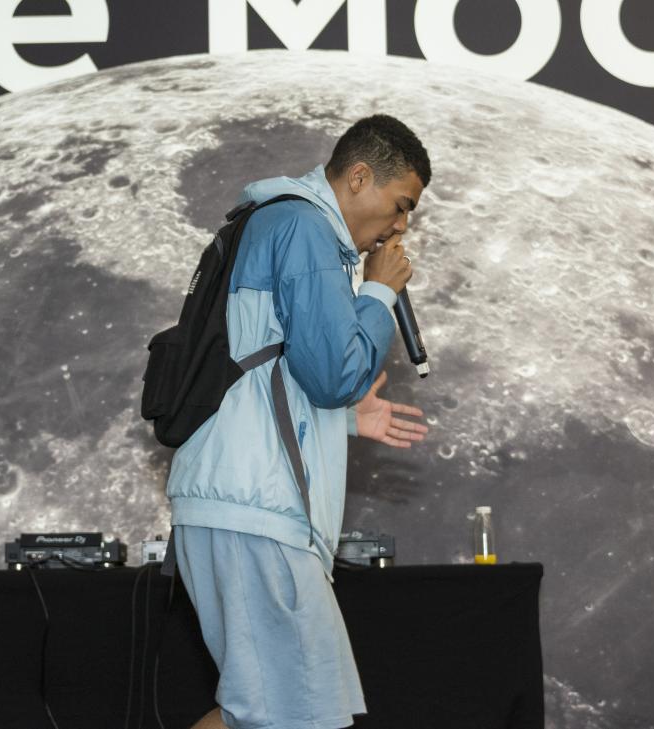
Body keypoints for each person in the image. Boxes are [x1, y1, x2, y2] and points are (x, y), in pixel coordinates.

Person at [165, 114, 432, 729]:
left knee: (264, 713)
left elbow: (268, 373)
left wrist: (342, 422)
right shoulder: (305, 228)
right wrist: (379, 295)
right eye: (400, 205)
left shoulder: (285, 224)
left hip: (241, 503)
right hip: (255, 512)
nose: (400, 226)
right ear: (360, 177)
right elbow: (332, 375)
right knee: (296, 716)